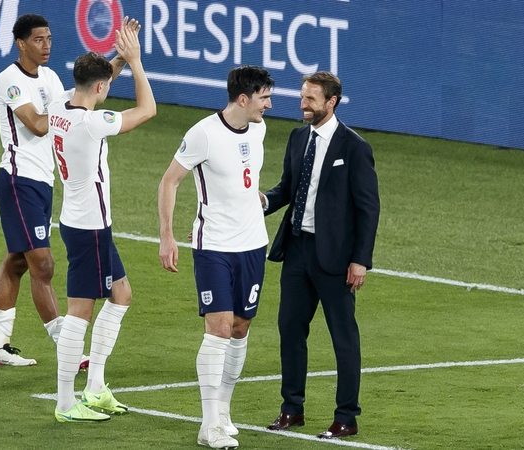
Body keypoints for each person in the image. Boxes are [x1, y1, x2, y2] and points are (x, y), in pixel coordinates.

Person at [158, 65, 274, 449]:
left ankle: (223, 410)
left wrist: (253, 200)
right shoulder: (203, 133)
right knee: (219, 327)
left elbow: (246, 180)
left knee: (240, 328)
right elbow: (169, 180)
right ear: (243, 99)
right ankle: (208, 425)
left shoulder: (258, 129)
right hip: (215, 248)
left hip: (254, 244)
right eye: (264, 98)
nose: (269, 105)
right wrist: (167, 236)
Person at [262, 71, 380, 439]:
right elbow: (287, 189)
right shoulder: (298, 138)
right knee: (289, 330)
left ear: (332, 102)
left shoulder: (354, 147)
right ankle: (291, 409)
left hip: (336, 259)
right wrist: (259, 202)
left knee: (343, 337)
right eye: (302, 97)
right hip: (297, 249)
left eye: (311, 99)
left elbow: (368, 208)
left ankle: (346, 416)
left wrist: (360, 260)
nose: (303, 104)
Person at [50, 17, 156, 422]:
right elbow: (147, 110)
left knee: (122, 294)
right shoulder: (93, 124)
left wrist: (119, 59)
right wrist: (137, 62)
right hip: (89, 226)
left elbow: (97, 80)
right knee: (80, 310)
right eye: (106, 84)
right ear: (99, 89)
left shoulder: (60, 103)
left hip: (86, 222)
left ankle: (94, 387)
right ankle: (64, 403)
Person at [0, 13, 72, 366]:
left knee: (17, 262)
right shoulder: (10, 79)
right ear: (21, 44)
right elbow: (38, 125)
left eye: (50, 39)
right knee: (44, 264)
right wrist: (64, 108)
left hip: (42, 181)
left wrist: (119, 61)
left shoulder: (50, 77)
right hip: (18, 181)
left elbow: (78, 99)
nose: (47, 45)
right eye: (39, 40)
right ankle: (66, 345)